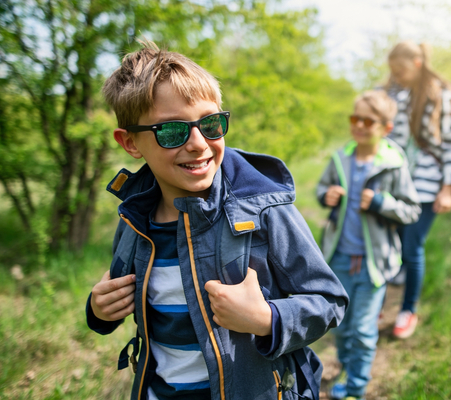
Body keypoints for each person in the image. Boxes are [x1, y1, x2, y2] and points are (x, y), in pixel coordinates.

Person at [85, 41, 348, 400]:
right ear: (131, 143)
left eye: (211, 124)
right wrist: (100, 311)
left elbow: (329, 300)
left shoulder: (264, 209)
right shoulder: (134, 217)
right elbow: (127, 303)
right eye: (172, 131)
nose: (198, 143)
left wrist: (267, 320)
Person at [316, 90, 421, 400]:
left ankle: (356, 388)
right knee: (342, 328)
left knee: (362, 331)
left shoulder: (393, 163)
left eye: (368, 121)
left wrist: (380, 202)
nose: (359, 125)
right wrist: (327, 196)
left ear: (386, 128)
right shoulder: (341, 158)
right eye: (354, 118)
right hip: (338, 259)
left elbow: (411, 209)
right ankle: (348, 368)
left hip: (374, 263)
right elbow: (322, 188)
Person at [384, 41, 451, 339]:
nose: (396, 74)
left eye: (401, 69)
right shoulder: (391, 93)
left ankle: (407, 310)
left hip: (426, 184)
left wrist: (448, 189)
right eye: (392, 69)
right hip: (394, 182)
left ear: (418, 62)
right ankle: (383, 299)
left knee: (412, 246)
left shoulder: (445, 94)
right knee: (391, 242)